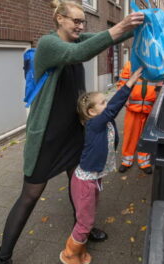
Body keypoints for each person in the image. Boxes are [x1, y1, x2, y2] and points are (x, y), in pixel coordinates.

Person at [0, 1, 144, 263]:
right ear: (59, 19)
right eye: (75, 21)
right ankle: (3, 256)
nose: (80, 26)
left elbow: (99, 39)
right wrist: (120, 25)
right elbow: (82, 52)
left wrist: (139, 26)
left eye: (82, 22)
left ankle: (82, 229)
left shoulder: (77, 39)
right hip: (48, 138)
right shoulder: (48, 45)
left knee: (81, 183)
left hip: (75, 133)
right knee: (30, 195)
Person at [60, 67, 143, 264]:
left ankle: (78, 252)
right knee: (85, 222)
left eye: (105, 102)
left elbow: (111, 116)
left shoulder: (105, 123)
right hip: (85, 182)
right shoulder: (94, 124)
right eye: (102, 103)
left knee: (89, 216)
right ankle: (69, 254)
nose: (107, 105)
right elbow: (115, 106)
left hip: (93, 179)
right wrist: (129, 83)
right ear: (91, 112)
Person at [117, 61, 159, 174]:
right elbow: (123, 82)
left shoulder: (157, 63)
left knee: (146, 137)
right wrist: (123, 98)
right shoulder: (130, 64)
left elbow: (161, 84)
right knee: (130, 134)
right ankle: (127, 160)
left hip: (150, 109)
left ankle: (144, 162)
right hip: (132, 108)